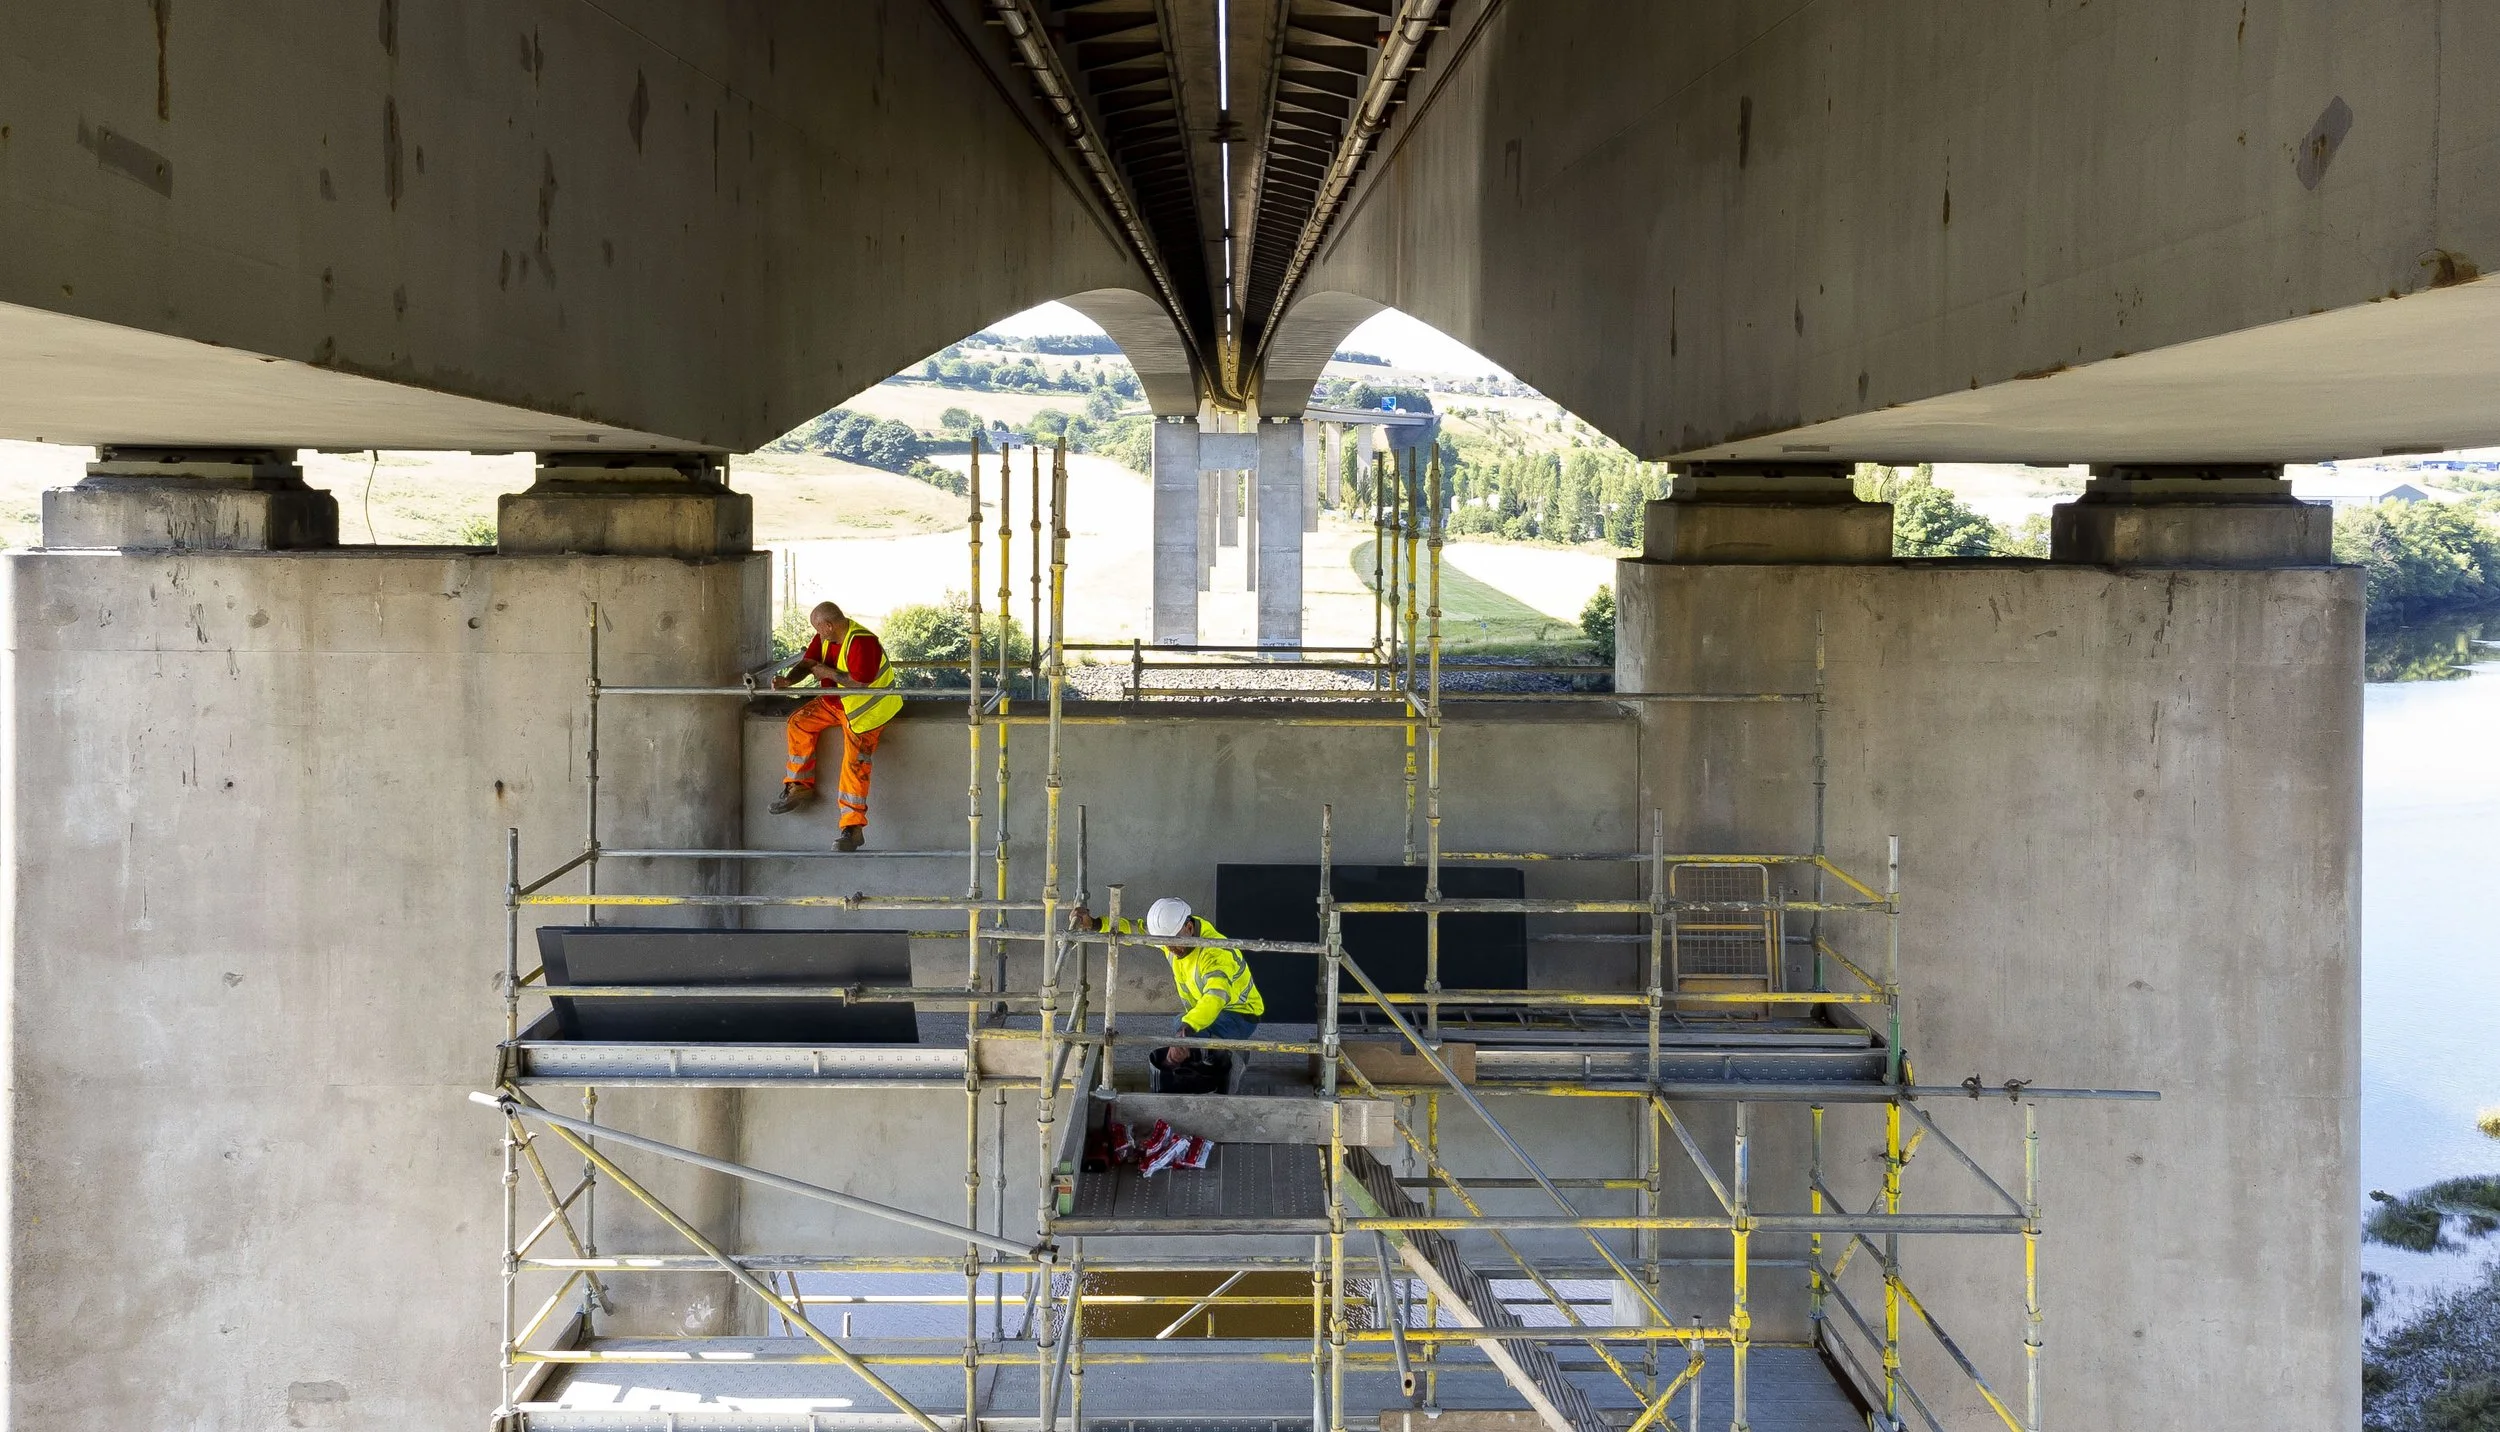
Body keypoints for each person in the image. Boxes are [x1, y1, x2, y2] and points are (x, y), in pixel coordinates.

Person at [1073, 896, 1263, 1084]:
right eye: (1165, 943)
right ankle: (1207, 1061)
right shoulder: (1172, 934)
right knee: (1179, 1024)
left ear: (1189, 928)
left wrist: (1187, 1031)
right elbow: (1133, 930)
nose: (1169, 948)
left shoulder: (1215, 953)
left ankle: (1229, 1059)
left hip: (1240, 1013)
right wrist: (1096, 924)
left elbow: (1215, 998)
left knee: (1190, 1034)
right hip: (1213, 1009)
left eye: (1172, 943)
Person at [769, 601, 903, 851]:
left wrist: (827, 673)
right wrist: (789, 680)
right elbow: (808, 664)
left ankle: (852, 829)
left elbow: (860, 684)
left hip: (867, 712)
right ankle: (799, 786)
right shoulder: (825, 638)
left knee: (855, 764)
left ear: (829, 626)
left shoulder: (863, 642)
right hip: (835, 705)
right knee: (799, 723)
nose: (817, 635)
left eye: (819, 629)